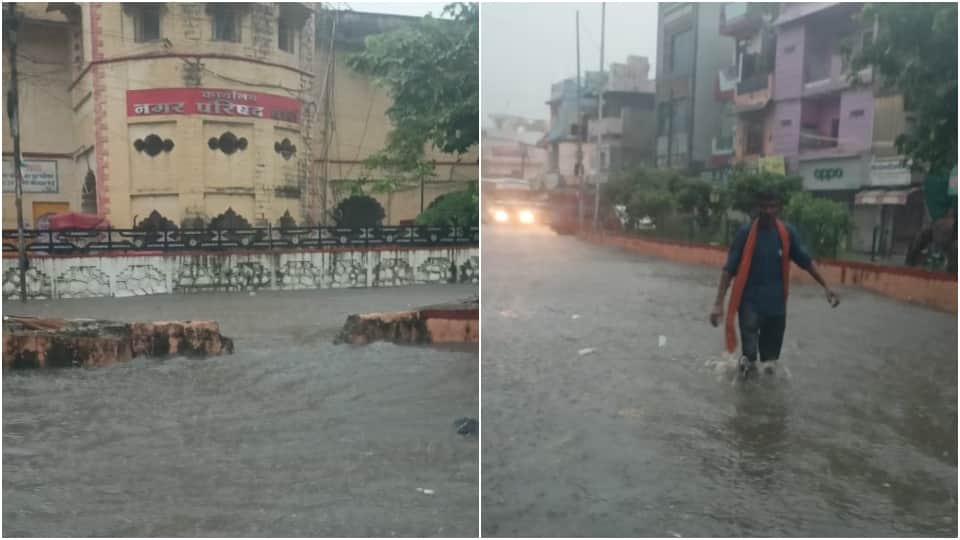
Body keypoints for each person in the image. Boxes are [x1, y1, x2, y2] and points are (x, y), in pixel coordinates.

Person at [709, 189, 840, 379]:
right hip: (750, 305)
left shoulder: (786, 234)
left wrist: (827, 286)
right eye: (764, 206)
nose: (768, 211)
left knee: (770, 364)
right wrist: (718, 303)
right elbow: (729, 270)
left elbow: (806, 261)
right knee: (750, 360)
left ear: (778, 208)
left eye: (772, 206)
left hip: (776, 308)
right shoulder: (745, 234)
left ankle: (765, 404)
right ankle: (747, 404)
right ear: (758, 208)